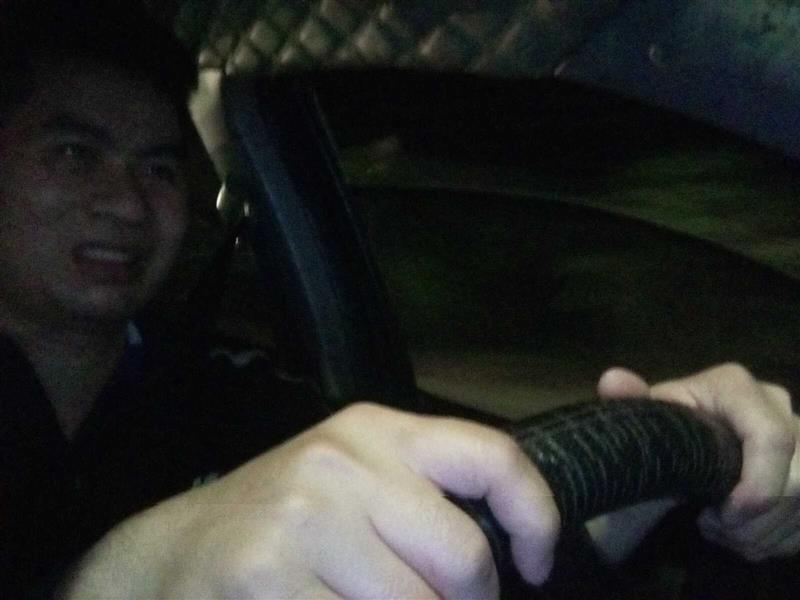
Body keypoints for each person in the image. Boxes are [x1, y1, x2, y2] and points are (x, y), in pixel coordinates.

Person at [1, 2, 798, 598]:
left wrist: (665, 456)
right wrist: (121, 578)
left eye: (158, 168)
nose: (128, 204)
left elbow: (472, 538)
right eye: (74, 153)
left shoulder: (230, 399)